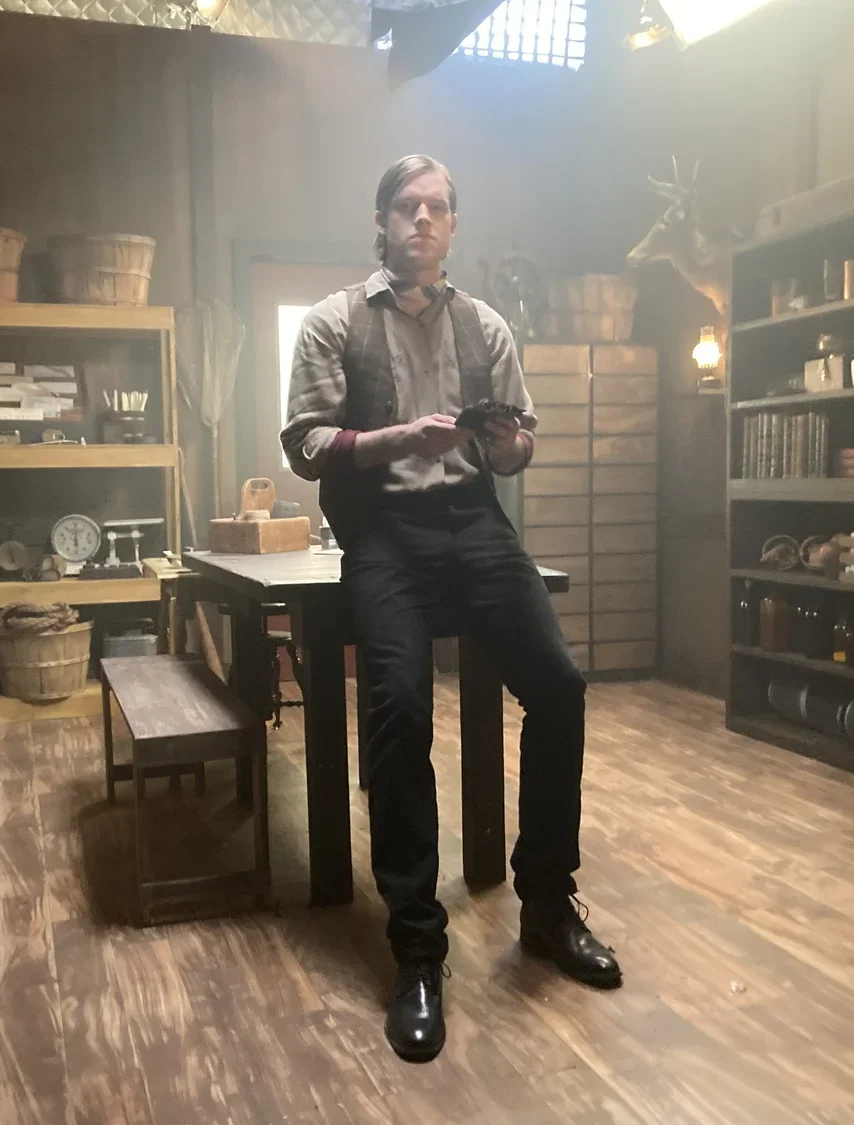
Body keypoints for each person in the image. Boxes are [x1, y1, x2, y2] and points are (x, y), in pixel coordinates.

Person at [280, 155, 622, 1064]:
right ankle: (418, 950)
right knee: (397, 704)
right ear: (381, 221)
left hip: (475, 522)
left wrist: (507, 447)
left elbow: (516, 450)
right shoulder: (333, 321)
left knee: (559, 686)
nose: (423, 220)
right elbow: (305, 445)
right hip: (382, 530)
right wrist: (400, 436)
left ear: (453, 226)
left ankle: (545, 903)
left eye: (437, 207)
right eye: (407, 206)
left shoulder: (487, 325)